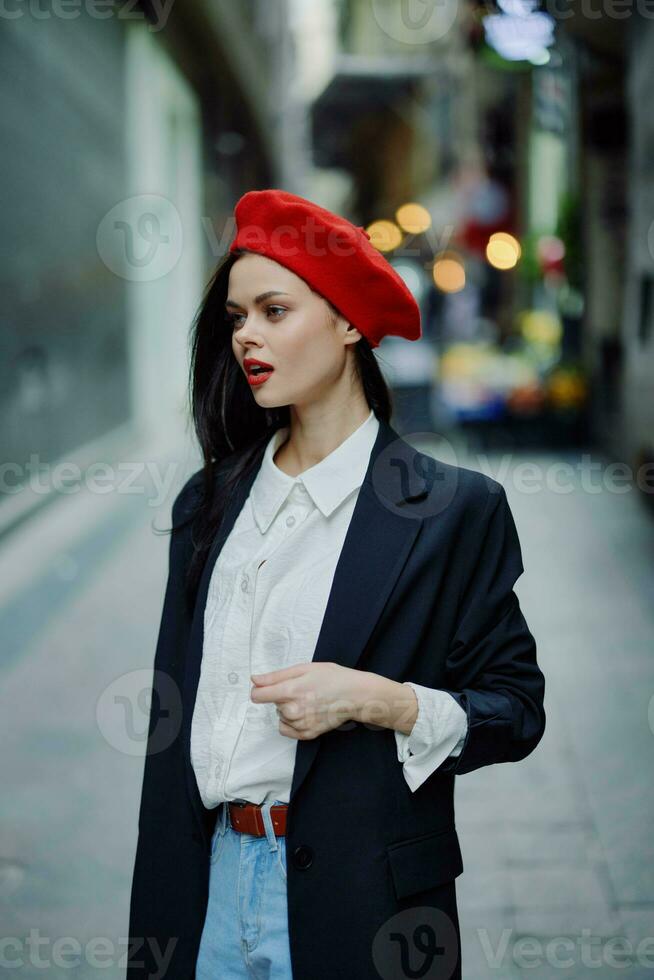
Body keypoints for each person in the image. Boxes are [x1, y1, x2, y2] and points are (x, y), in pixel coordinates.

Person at [126, 189, 546, 980]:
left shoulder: (452, 510)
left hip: (362, 908)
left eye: (274, 310)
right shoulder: (208, 502)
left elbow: (518, 709)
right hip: (205, 889)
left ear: (350, 323)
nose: (247, 333)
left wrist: (378, 699)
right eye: (236, 316)